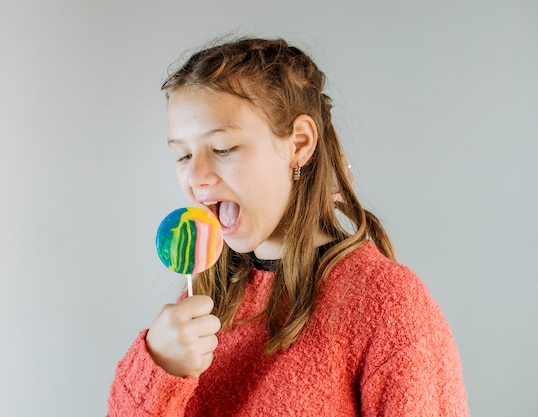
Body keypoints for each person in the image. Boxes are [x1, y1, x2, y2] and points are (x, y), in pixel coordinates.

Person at [107, 37, 468, 416]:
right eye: (182, 155)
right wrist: (158, 367)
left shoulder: (387, 305)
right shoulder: (208, 299)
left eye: (224, 148)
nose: (195, 177)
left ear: (298, 143)